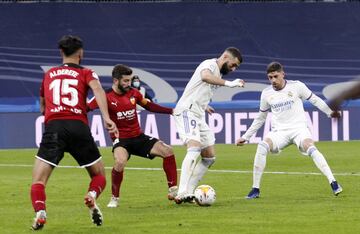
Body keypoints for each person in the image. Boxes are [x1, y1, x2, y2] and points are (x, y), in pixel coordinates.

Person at [30, 35, 118, 230]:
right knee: (99, 175)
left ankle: (40, 212)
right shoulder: (87, 72)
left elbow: (43, 108)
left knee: (38, 180)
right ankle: (92, 195)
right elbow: (98, 91)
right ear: (80, 53)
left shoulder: (49, 74)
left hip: (54, 128)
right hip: (78, 127)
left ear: (61, 52)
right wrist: (106, 118)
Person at [236, 61, 342, 199]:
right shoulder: (266, 93)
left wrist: (330, 112)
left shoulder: (297, 86)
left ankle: (333, 182)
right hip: (280, 132)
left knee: (310, 147)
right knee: (262, 146)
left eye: (275, 76)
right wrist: (246, 136)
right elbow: (261, 118)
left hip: (299, 129)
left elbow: (315, 100)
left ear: (282, 74)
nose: (273, 80)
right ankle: (255, 189)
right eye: (270, 77)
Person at [87, 64, 178, 208]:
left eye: (129, 80)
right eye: (125, 81)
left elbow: (149, 106)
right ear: (116, 81)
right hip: (121, 140)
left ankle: (173, 190)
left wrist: (172, 111)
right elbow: (86, 108)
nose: (129, 84)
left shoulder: (134, 93)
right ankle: (114, 198)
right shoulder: (104, 96)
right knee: (120, 162)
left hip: (138, 137)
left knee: (168, 150)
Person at [173, 47, 244, 204]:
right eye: (233, 65)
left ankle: (189, 193)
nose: (233, 69)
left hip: (198, 113)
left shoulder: (218, 74)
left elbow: (198, 88)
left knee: (209, 157)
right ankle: (181, 192)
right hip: (187, 111)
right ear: (225, 57)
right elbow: (205, 77)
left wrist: (204, 105)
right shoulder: (210, 65)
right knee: (194, 147)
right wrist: (230, 84)